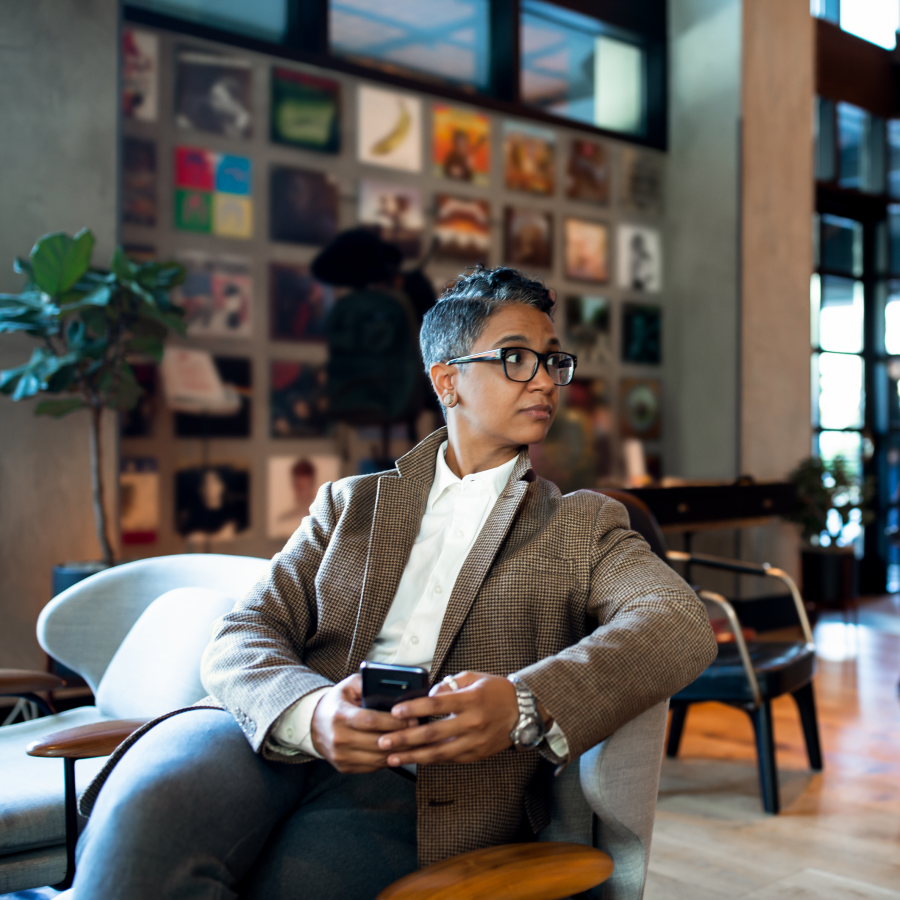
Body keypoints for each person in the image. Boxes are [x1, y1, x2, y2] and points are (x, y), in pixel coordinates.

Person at [71, 266, 717, 899]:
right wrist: (311, 711)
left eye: (553, 361)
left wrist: (525, 704)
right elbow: (246, 631)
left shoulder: (580, 523)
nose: (545, 379)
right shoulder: (349, 504)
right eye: (517, 357)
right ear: (448, 380)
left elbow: (677, 620)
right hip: (263, 733)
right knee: (134, 850)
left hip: (413, 788)